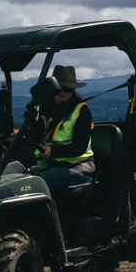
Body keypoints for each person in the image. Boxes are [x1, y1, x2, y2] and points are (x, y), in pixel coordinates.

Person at [34, 65, 95, 209]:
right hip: (51, 166)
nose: (63, 92)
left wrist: (52, 151)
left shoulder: (82, 111)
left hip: (79, 168)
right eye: (59, 87)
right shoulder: (43, 109)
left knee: (37, 184)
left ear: (73, 90)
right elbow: (34, 136)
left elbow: (79, 147)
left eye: (68, 89)